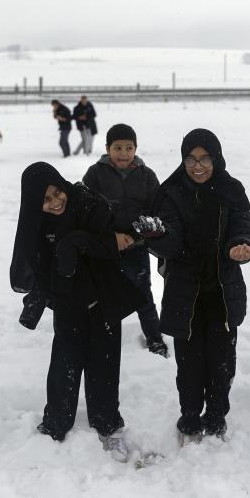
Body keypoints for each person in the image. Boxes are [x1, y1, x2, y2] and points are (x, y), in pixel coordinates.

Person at [9, 162, 145, 461]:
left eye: (57, 191)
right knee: (64, 366)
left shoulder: (87, 203)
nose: (56, 201)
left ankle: (108, 425)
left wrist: (73, 242)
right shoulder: (38, 225)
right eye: (46, 199)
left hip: (103, 300)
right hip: (69, 304)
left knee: (104, 367)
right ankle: (56, 424)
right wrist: (39, 299)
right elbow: (41, 267)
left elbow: (110, 246)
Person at [135, 129, 250, 445]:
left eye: (204, 159)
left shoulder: (231, 190)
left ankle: (216, 419)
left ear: (216, 158)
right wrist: (158, 233)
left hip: (222, 292)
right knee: (189, 366)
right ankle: (189, 419)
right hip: (184, 294)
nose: (197, 166)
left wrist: (240, 244)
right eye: (191, 159)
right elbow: (171, 244)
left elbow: (242, 223)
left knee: (222, 363)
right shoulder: (171, 192)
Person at [82, 123, 168, 358]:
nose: (123, 153)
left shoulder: (146, 175)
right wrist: (112, 237)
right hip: (105, 251)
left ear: (136, 148)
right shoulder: (95, 174)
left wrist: (133, 236)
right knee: (101, 297)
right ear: (108, 148)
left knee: (143, 296)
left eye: (129, 148)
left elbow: (156, 211)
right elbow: (85, 210)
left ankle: (154, 338)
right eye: (118, 147)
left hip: (136, 249)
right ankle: (100, 339)